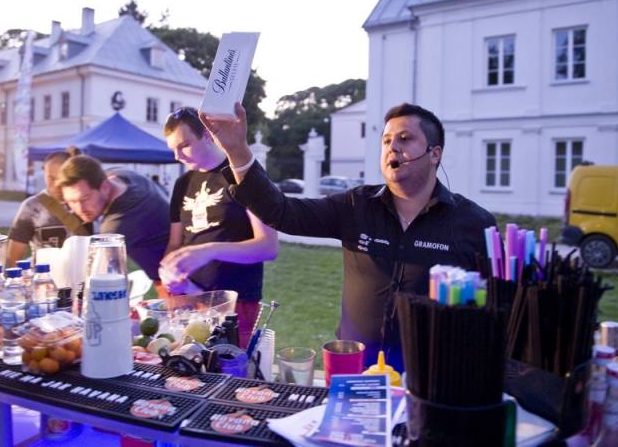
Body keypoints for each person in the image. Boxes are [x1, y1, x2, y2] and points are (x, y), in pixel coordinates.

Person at [200, 102, 496, 371]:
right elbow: (282, 211)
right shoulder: (356, 206)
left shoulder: (473, 224)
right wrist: (237, 150)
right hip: (355, 371)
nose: (392, 147)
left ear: (435, 154)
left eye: (405, 139)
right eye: (386, 141)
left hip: (432, 376)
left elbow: (492, 314)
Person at [161, 107, 278, 347]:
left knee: (227, 366)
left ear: (207, 134)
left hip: (235, 303)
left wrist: (209, 250)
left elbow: (268, 247)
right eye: (173, 149)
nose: (177, 156)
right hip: (190, 296)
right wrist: (170, 270)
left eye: (184, 145)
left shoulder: (241, 175)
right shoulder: (183, 183)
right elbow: (175, 242)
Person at [56, 149, 171, 287]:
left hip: (174, 284)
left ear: (104, 187)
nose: (80, 209)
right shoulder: (121, 173)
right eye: (71, 201)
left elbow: (100, 283)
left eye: (85, 198)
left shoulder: (114, 229)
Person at [6, 151, 91, 267]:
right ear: (44, 173)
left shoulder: (85, 202)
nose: (56, 184)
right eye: (51, 178)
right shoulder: (31, 207)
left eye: (61, 178)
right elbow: (14, 256)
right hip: (43, 276)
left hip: (79, 275)